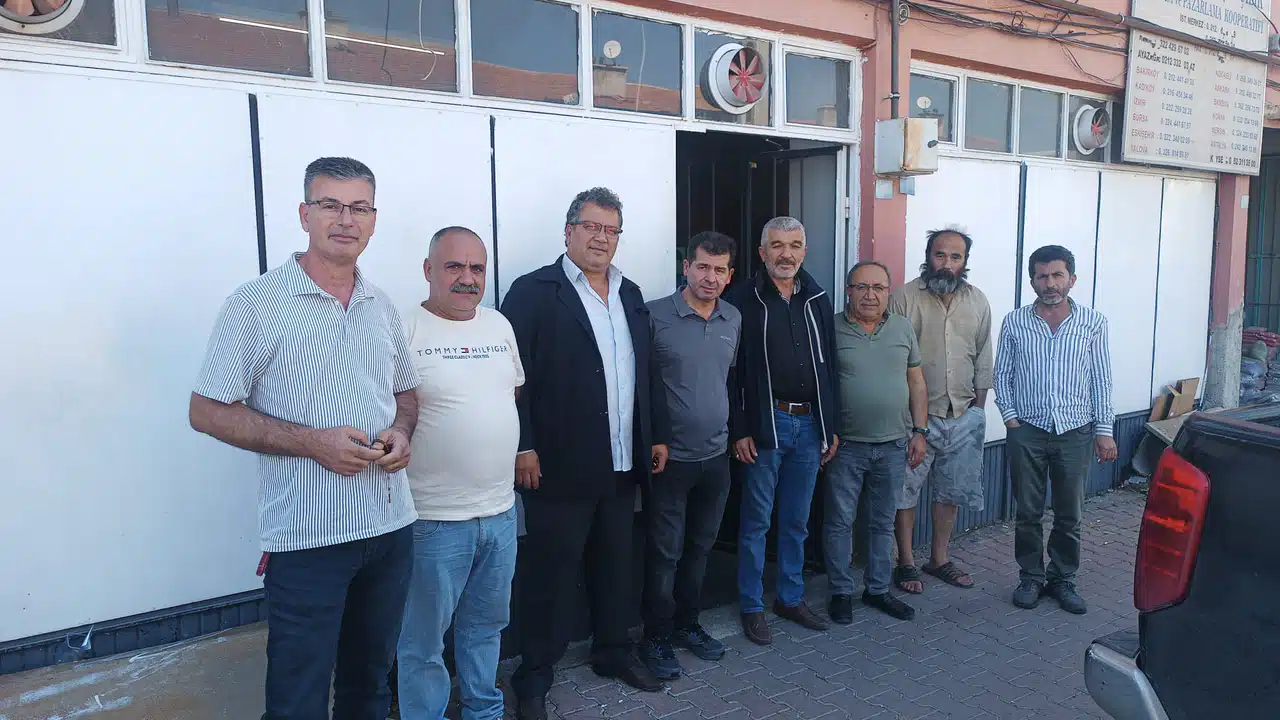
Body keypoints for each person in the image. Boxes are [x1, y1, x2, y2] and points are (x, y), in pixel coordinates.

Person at [189, 157, 419, 719]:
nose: (346, 219)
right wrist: (314, 443)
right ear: (303, 214)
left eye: (359, 207)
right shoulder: (256, 304)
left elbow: (406, 393)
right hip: (310, 538)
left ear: (373, 220)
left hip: (390, 529)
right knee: (298, 701)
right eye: (330, 205)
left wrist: (401, 431)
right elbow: (206, 411)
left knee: (369, 689)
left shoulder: (380, 305)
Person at [500, 188, 669, 720]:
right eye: (591, 227)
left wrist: (655, 435)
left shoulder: (629, 292)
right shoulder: (533, 292)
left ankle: (613, 652)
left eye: (610, 230)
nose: (601, 238)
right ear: (569, 230)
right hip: (558, 465)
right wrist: (523, 444)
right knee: (551, 577)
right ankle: (534, 676)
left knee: (616, 567)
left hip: (622, 462)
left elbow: (646, 371)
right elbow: (510, 379)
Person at [395, 227, 523, 720]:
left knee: (486, 628)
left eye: (477, 268)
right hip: (432, 519)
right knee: (422, 642)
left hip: (500, 513)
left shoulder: (498, 325)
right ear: (428, 270)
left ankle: (483, 710)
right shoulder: (403, 328)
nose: (467, 278)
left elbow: (510, 392)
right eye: (454, 266)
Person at [725, 216, 839, 646]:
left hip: (809, 426)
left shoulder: (817, 298)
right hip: (765, 425)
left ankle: (790, 598)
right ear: (762, 252)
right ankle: (752, 604)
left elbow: (830, 366)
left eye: (793, 245)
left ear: (804, 252)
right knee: (756, 522)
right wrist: (739, 428)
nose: (785, 254)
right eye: (776, 245)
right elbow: (730, 371)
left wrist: (830, 426)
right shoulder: (742, 299)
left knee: (796, 521)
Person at [639, 231, 742, 680]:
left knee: (700, 548)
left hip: (716, 456)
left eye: (719, 270)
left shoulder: (732, 318)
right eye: (702, 267)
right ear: (686, 267)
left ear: (729, 275)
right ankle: (656, 637)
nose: (710, 277)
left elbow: (728, 382)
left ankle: (688, 625)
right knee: (665, 552)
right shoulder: (655, 316)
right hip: (670, 459)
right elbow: (642, 388)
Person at [995, 244, 1117, 615]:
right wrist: (1011, 419)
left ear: (1072, 279)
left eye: (1057, 275)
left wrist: (1104, 430)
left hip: (1075, 430)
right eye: (1042, 276)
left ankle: (1063, 578)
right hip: (1027, 430)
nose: (1050, 283)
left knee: (1069, 513)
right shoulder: (1015, 322)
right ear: (1032, 281)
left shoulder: (1092, 322)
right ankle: (1031, 577)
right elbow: (1002, 374)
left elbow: (1101, 379)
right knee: (1028, 511)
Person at [888, 227, 994, 594]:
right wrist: (907, 419)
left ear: (965, 261)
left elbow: (983, 356)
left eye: (955, 257)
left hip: (963, 413)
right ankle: (905, 562)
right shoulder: (903, 297)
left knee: (950, 492)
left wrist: (978, 410)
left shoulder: (977, 300)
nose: (947, 263)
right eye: (940, 255)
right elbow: (894, 358)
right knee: (904, 492)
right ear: (928, 256)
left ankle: (939, 558)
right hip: (914, 418)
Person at [823, 261, 928, 623]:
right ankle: (840, 591)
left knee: (882, 522)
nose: (870, 295)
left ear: (888, 292)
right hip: (845, 447)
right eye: (862, 287)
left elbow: (916, 381)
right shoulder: (830, 328)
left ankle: (878, 589)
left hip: (894, 445)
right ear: (848, 291)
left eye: (878, 288)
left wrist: (920, 430)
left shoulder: (902, 328)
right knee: (839, 521)